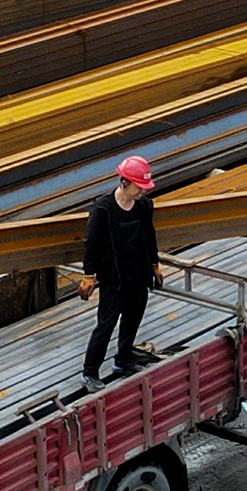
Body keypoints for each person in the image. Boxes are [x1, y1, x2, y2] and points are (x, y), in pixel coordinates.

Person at [78, 156, 161, 393]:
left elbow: (149, 236)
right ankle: (90, 372)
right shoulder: (103, 209)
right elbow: (91, 244)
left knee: (132, 320)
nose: (142, 192)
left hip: (139, 276)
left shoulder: (144, 206)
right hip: (115, 280)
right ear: (124, 182)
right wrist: (89, 275)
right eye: (139, 187)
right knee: (105, 326)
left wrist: (154, 265)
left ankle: (123, 360)